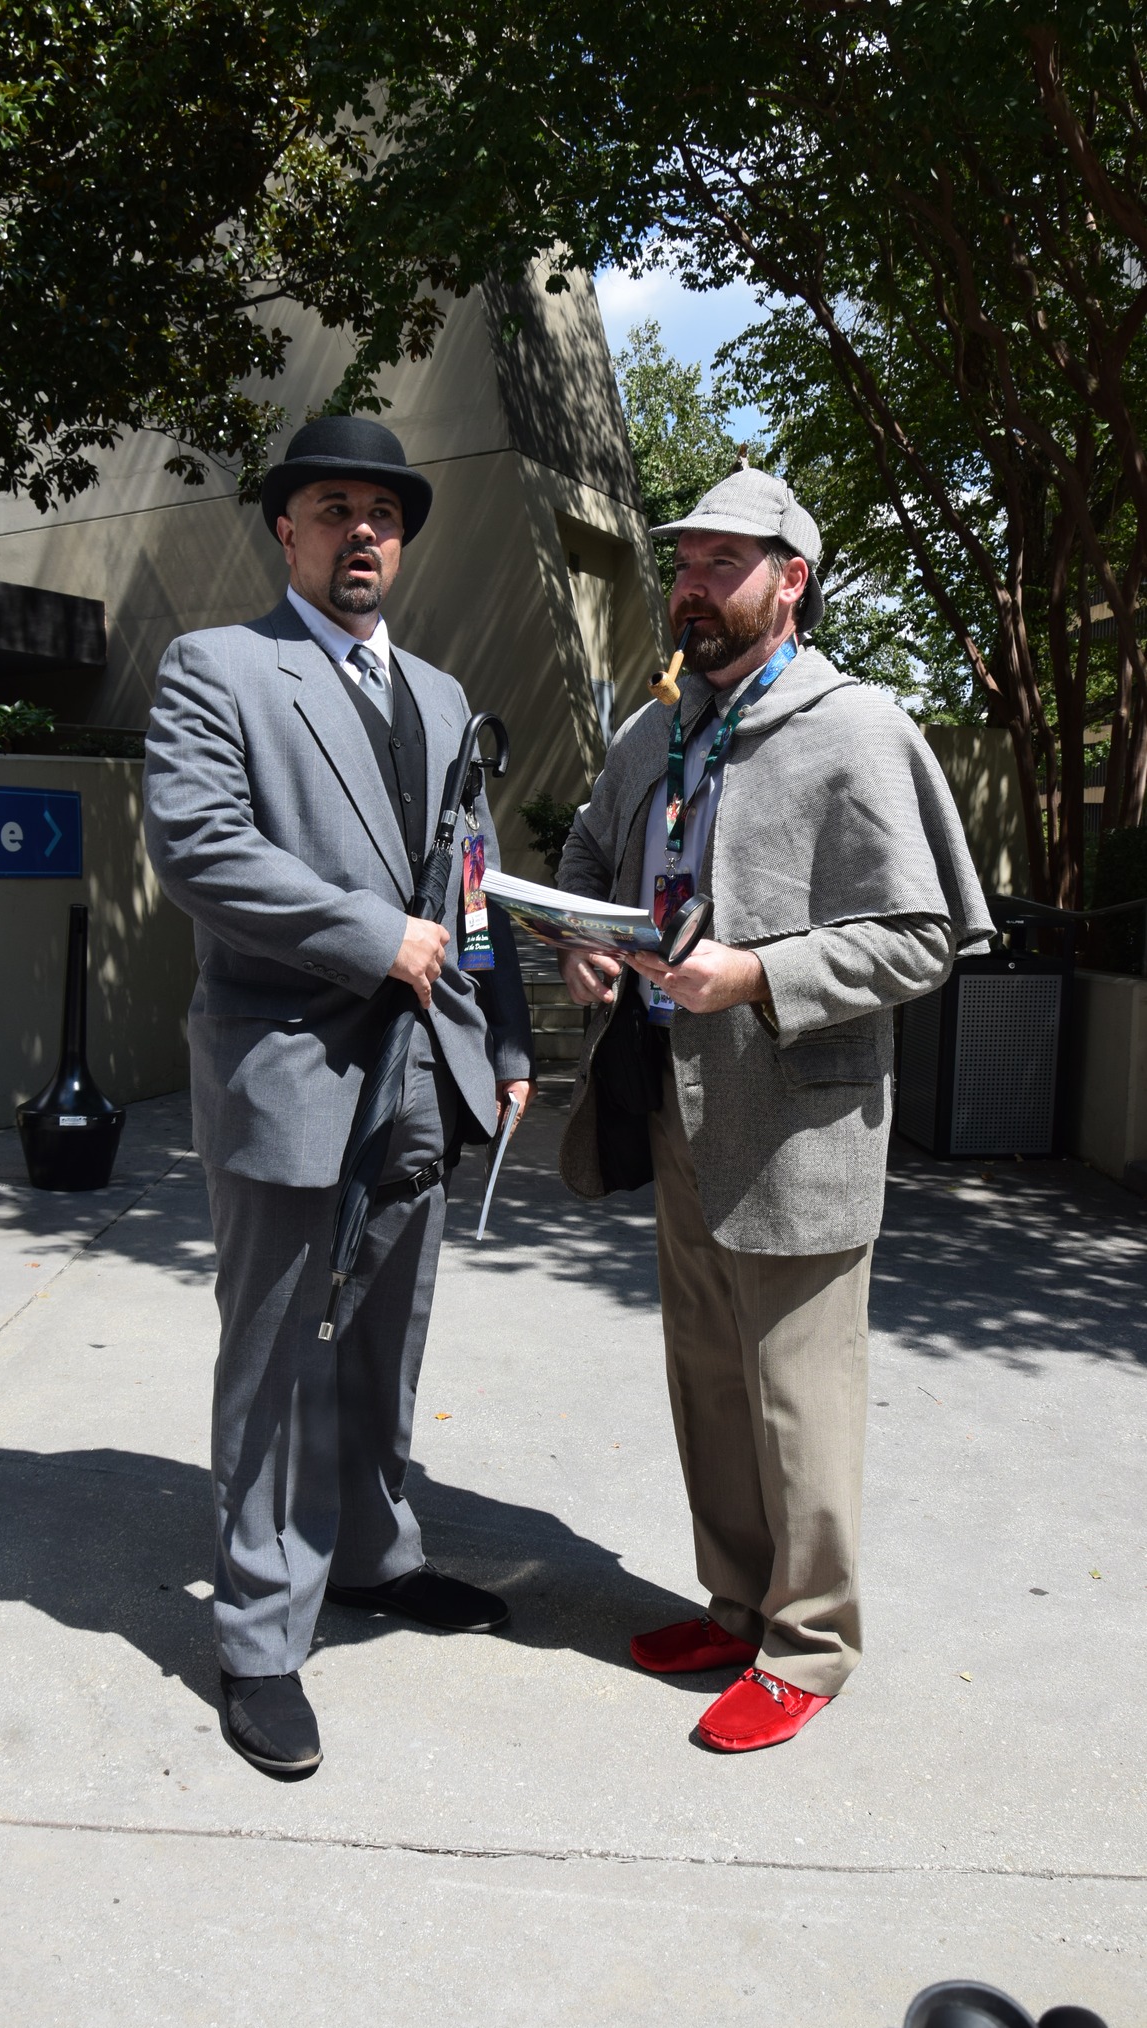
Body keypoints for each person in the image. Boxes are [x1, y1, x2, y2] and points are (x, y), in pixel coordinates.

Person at [555, 468, 990, 1753]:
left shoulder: (854, 729)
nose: (692, 585)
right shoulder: (656, 730)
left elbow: (923, 937)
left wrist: (757, 973)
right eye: (684, 563)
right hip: (678, 1109)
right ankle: (737, 1604)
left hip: (798, 1122)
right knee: (707, 1379)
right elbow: (587, 850)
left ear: (790, 579)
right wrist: (583, 941)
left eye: (723, 564)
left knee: (799, 1396)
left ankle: (811, 1642)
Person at [143, 415, 535, 1778]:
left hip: (429, 1065)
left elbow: (471, 889)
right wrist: (376, 939)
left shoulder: (437, 694)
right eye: (332, 506)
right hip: (290, 1070)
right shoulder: (218, 668)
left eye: (383, 511)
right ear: (287, 529)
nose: (360, 530)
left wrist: (512, 1033)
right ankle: (258, 1636)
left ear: (402, 540)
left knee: (388, 1335)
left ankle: (372, 1554)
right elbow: (200, 848)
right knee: (273, 1360)